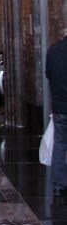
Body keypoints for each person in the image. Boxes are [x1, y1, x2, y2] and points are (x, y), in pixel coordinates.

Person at [45, 29, 67, 198]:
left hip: (59, 106)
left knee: (59, 145)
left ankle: (59, 183)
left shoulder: (53, 49)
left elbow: (49, 75)